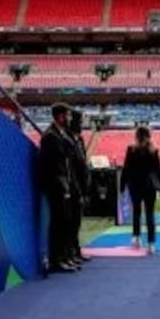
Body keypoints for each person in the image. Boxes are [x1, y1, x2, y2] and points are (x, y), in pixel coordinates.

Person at [39, 103, 80, 273]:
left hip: (64, 184)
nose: (70, 119)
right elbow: (52, 166)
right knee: (58, 223)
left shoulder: (60, 135)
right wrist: (61, 186)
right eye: (68, 116)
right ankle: (57, 259)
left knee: (65, 222)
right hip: (56, 187)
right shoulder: (50, 136)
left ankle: (65, 257)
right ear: (61, 116)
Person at [120, 126, 160, 254]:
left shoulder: (131, 149)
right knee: (150, 214)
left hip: (135, 185)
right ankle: (151, 244)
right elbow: (158, 171)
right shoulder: (153, 150)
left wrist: (122, 185)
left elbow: (126, 168)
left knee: (136, 212)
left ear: (136, 136)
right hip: (149, 185)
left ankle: (136, 238)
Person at [68, 109, 91, 264]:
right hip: (73, 187)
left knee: (77, 222)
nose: (82, 125)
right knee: (71, 223)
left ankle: (76, 251)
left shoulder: (79, 139)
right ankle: (70, 252)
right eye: (80, 122)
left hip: (82, 187)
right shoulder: (69, 139)